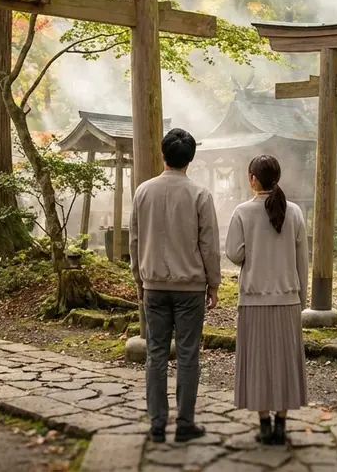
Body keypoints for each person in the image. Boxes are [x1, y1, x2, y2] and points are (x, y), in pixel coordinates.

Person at [129, 128, 220, 443]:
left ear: (163, 155)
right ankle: (184, 423)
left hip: (154, 283)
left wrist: (138, 279)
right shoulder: (200, 194)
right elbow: (208, 244)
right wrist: (214, 283)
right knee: (187, 354)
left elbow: (135, 240)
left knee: (155, 352)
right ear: (190, 159)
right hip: (190, 286)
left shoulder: (143, 192)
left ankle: (157, 424)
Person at [225, 154, 309, 446]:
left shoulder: (242, 212)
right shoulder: (295, 212)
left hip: (253, 299)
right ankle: (282, 424)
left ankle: (263, 424)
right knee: (285, 363)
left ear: (252, 179)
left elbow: (235, 254)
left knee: (259, 362)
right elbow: (302, 261)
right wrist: (302, 297)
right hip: (288, 299)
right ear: (277, 178)